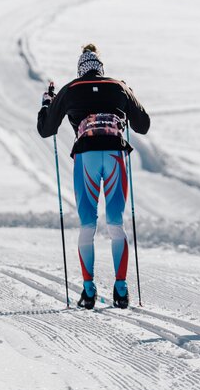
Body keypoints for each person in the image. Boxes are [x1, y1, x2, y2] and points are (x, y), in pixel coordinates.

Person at [37, 43, 150, 309]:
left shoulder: (70, 89)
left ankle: (88, 292)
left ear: (80, 69)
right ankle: (121, 291)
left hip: (86, 156)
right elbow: (142, 125)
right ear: (101, 69)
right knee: (115, 223)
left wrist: (47, 103)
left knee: (87, 224)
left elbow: (46, 129)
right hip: (114, 155)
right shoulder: (119, 86)